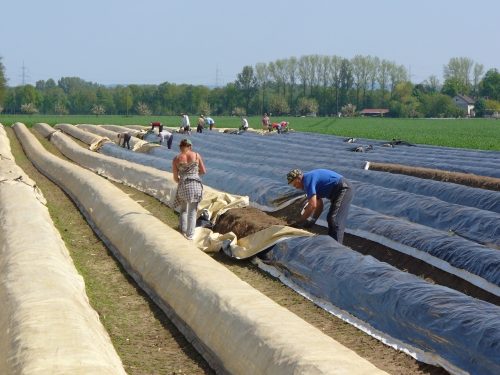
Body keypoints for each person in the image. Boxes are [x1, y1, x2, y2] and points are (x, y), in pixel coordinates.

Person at [287, 168, 353, 244]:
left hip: (344, 188)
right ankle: (332, 244)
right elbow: (319, 205)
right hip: (337, 192)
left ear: (299, 178)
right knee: (331, 218)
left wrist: (300, 221)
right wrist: (312, 220)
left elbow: (312, 205)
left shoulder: (307, 180)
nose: (295, 187)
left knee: (334, 219)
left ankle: (336, 247)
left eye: (295, 184)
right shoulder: (308, 182)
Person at [172, 139, 207, 240]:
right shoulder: (196, 155)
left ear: (180, 147)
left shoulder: (176, 159)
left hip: (183, 184)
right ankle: (190, 235)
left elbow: (175, 177)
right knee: (192, 211)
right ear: (190, 146)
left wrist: (182, 179)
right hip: (195, 185)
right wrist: (194, 175)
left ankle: (183, 230)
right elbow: (203, 170)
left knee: (183, 209)